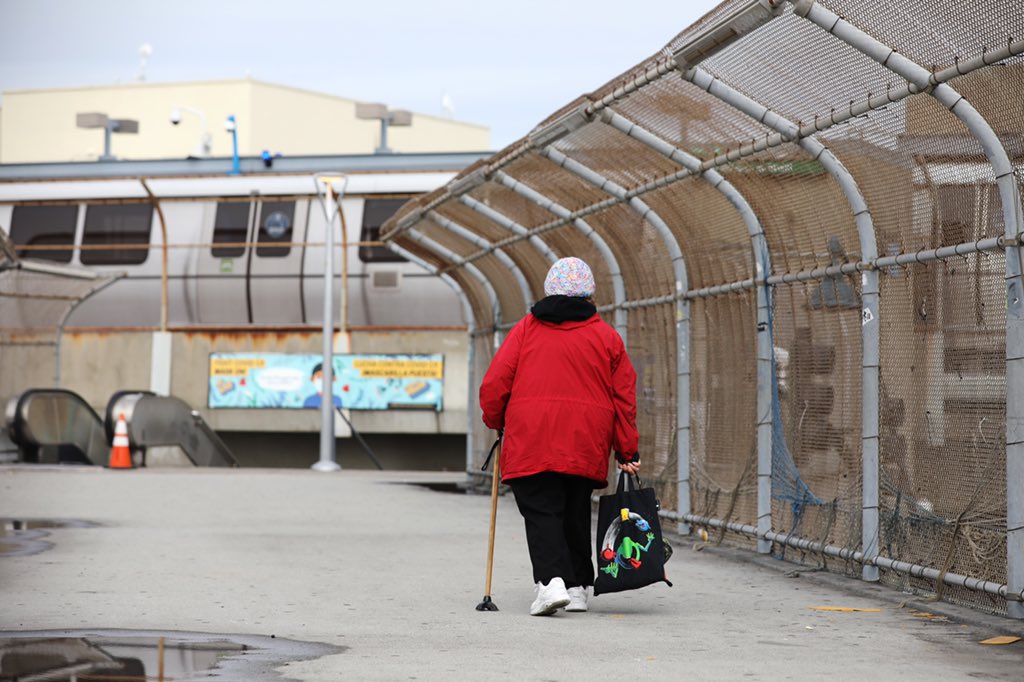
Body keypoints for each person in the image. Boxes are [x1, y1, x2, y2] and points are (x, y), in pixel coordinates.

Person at [479, 256, 640, 616]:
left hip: (532, 435)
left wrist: (495, 419)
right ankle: (580, 587)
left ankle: (551, 583)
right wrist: (626, 449)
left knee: (541, 510)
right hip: (586, 439)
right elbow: (624, 397)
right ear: (589, 294)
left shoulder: (526, 329)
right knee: (574, 511)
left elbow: (495, 384)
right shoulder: (606, 336)